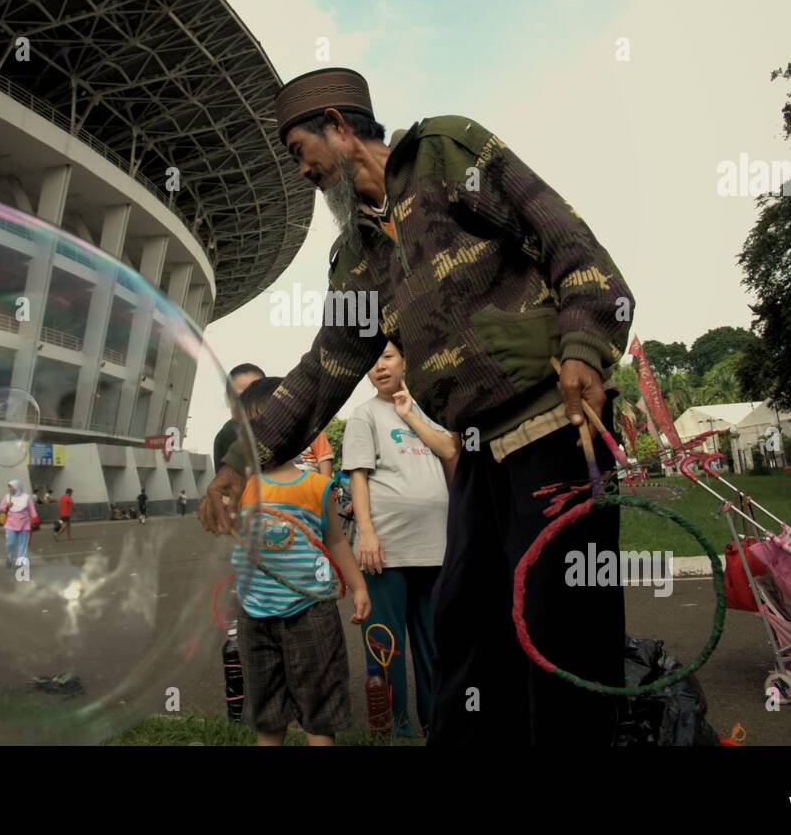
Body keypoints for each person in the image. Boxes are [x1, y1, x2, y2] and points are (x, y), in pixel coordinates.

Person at [199, 67, 633, 746]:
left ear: (339, 128)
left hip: (555, 428)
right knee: (464, 633)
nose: (301, 171)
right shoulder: (359, 257)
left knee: (561, 634)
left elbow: (567, 242)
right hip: (479, 456)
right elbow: (322, 372)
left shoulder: (445, 152)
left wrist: (583, 346)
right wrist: (238, 461)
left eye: (298, 151)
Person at [230, 377, 369, 746]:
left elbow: (336, 542)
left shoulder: (315, 487)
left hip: (311, 611)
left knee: (320, 712)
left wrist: (358, 585)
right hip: (254, 614)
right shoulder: (238, 487)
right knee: (267, 713)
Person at [343, 336, 458, 737]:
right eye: (373, 361)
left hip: (433, 548)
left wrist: (410, 416)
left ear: (406, 362)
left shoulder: (425, 411)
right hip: (385, 551)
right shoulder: (364, 416)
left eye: (388, 357)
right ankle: (395, 726)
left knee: (433, 645)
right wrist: (367, 534)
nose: (380, 366)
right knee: (385, 645)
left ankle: (434, 723)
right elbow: (357, 476)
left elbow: (449, 451)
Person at [0, 479, 37, 571]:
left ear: (17, 487)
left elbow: (32, 509)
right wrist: (7, 506)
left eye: (11, 487)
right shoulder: (7, 497)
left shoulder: (27, 497)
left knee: (22, 545)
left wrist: (35, 519)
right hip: (10, 524)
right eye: (9, 487)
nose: (10, 489)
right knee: (10, 543)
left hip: (25, 524)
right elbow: (1, 508)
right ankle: (9, 557)